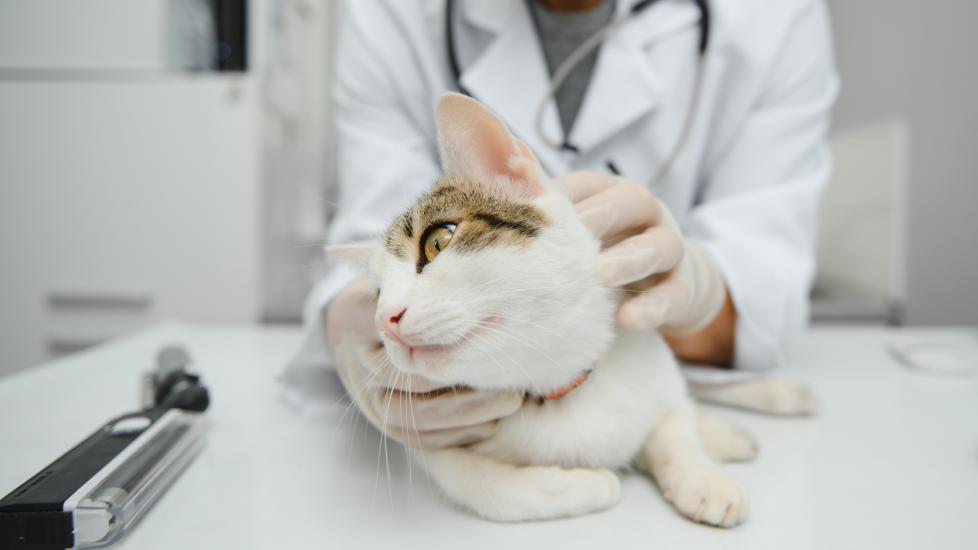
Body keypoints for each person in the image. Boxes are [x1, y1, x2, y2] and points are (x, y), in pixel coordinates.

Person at [292, 0, 838, 448]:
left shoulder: (773, 16)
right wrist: (351, 316)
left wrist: (696, 289)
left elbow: (761, 290)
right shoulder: (394, 14)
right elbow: (379, 239)